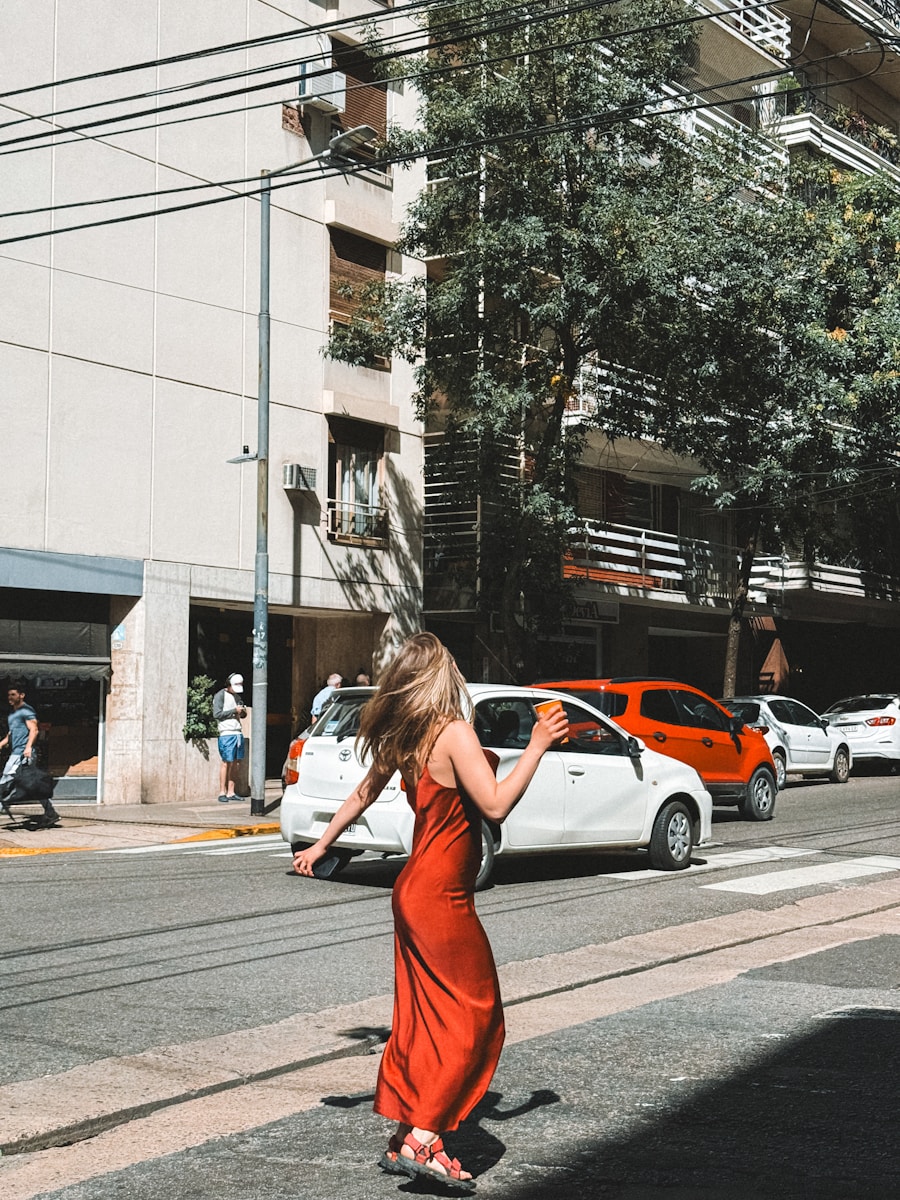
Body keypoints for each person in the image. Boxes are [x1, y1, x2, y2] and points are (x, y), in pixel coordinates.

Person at [293, 633, 567, 1191]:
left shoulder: (409, 737)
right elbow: (494, 803)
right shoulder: (454, 733)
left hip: (413, 889)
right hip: (442, 896)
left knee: (424, 1017)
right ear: (442, 677)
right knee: (475, 1014)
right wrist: (538, 744)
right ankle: (424, 1136)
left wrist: (323, 845)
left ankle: (406, 1132)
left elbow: (361, 795)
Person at [0, 683, 60, 828]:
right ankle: (50, 813)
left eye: (13, 694)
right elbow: (11, 733)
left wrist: (28, 748)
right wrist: (2, 743)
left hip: (22, 754)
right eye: (9, 695)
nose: (10, 697)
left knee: (4, 782)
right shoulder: (14, 713)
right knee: (32, 785)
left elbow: (34, 730)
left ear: (22, 695)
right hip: (17, 752)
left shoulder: (26, 711)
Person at [212, 673, 246, 802]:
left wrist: (241, 712)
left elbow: (242, 714)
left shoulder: (237, 696)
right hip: (226, 732)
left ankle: (231, 791)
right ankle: (222, 791)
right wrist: (234, 711)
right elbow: (217, 714)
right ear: (228, 685)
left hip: (237, 731)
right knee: (226, 762)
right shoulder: (220, 695)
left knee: (236, 762)